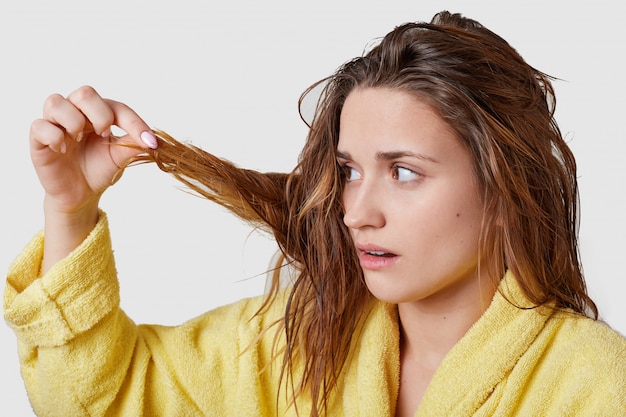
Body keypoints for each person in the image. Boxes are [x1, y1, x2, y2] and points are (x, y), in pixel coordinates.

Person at [4, 10, 625, 417]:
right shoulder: (298, 341)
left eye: (404, 172)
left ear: (503, 188)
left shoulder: (594, 387)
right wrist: (71, 208)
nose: (356, 211)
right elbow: (103, 399)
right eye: (350, 170)